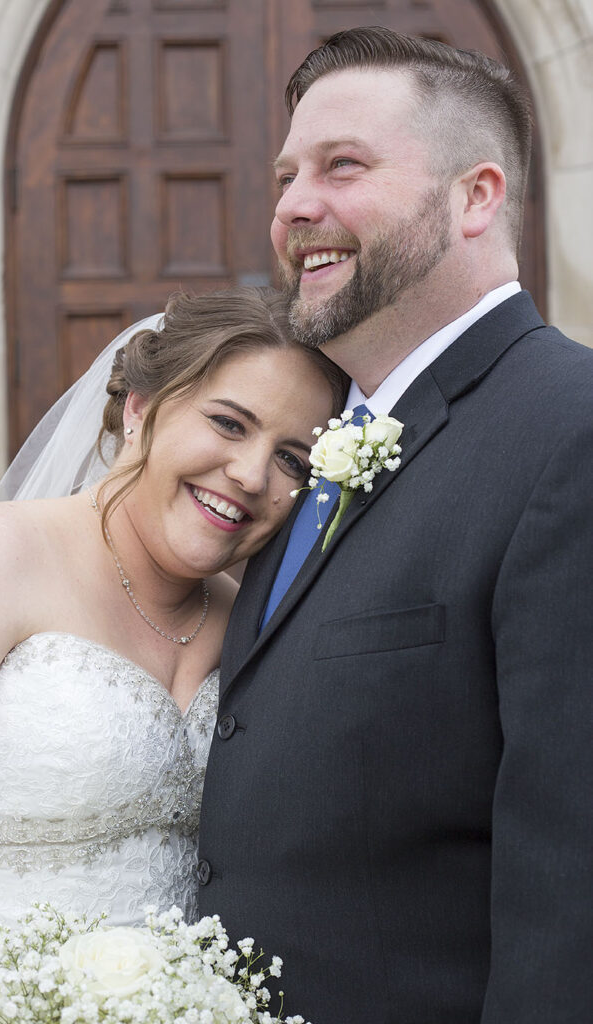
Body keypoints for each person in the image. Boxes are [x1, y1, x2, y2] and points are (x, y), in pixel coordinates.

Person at [198, 27, 593, 1023]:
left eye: (343, 166)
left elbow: (573, 873)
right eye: (288, 175)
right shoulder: (326, 441)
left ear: (475, 196)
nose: (293, 206)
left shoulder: (570, 430)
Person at [0, 286, 347, 1020]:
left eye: (292, 461)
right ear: (140, 407)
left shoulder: (255, 621)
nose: (249, 474)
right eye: (227, 423)